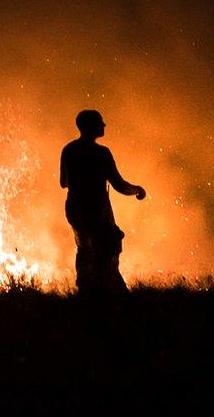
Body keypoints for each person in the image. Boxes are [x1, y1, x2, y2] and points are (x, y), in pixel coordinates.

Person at [60, 110, 146, 296]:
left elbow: (63, 183)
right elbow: (118, 184)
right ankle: (112, 295)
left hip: (75, 208)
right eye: (100, 123)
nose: (104, 125)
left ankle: (86, 292)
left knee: (84, 248)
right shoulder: (101, 153)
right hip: (97, 210)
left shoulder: (68, 150)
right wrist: (138, 190)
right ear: (91, 126)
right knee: (108, 249)